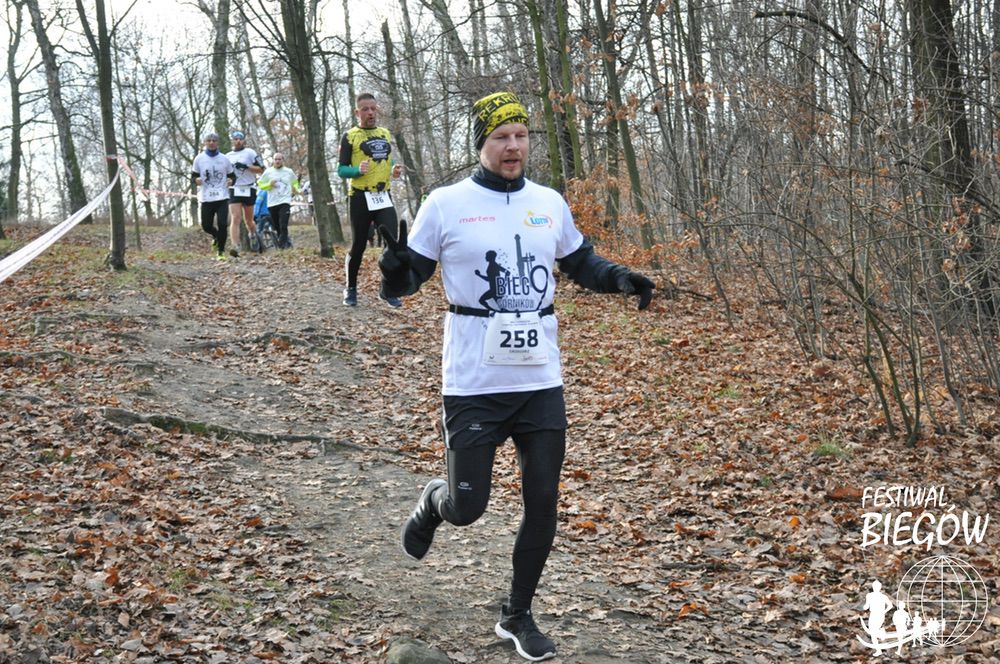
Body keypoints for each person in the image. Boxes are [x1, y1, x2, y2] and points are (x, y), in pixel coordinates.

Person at [379, 91, 655, 662]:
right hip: (474, 382)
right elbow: (411, 279)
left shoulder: (547, 202)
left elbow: (580, 262)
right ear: (481, 143)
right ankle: (434, 503)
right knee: (468, 507)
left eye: (521, 135)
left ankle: (517, 614)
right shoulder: (445, 204)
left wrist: (620, 277)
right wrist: (395, 272)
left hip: (538, 378)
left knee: (544, 499)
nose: (513, 146)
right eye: (501, 137)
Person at [337, 92, 404, 307]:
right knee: (359, 245)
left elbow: (387, 161)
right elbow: (341, 170)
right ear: (357, 112)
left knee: (392, 243)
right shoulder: (350, 136)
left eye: (373, 109)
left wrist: (394, 170)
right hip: (360, 197)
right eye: (365, 109)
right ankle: (351, 288)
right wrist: (357, 170)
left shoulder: (384, 133)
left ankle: (387, 289)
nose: (370, 113)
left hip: (383, 195)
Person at [191, 132, 235, 260]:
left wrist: (231, 181)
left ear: (217, 143)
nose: (211, 143)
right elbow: (193, 176)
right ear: (205, 143)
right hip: (206, 197)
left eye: (214, 140)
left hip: (222, 197)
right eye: (209, 140)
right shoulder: (199, 159)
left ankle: (221, 252)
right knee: (206, 226)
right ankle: (216, 236)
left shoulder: (224, 159)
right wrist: (196, 180)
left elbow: (232, 176)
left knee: (222, 224)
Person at [226, 130, 265, 256]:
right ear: (232, 140)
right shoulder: (228, 156)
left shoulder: (250, 153)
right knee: (235, 218)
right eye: (235, 139)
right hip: (234, 188)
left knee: (249, 220)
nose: (238, 141)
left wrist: (246, 166)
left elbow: (261, 169)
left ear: (244, 140)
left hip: (249, 188)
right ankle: (235, 246)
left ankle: (252, 234)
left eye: (240, 139)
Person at [257, 153, 299, 249]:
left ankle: (281, 246)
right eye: (275, 159)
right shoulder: (268, 172)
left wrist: (296, 189)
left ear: (283, 160)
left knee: (283, 224)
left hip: (285, 201)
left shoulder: (289, 171)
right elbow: (260, 185)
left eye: (279, 159)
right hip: (272, 203)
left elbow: (295, 182)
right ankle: (285, 245)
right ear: (273, 160)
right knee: (277, 226)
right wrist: (269, 184)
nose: (277, 161)